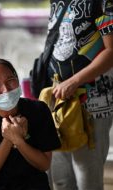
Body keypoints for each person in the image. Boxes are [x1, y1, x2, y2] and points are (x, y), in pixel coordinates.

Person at [39, 1, 113, 190]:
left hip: (92, 102)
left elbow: (111, 52)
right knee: (62, 179)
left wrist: (74, 81)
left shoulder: (103, 3)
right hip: (58, 100)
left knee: (87, 179)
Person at [0, 58, 61, 190]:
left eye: (10, 80)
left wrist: (19, 141)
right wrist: (9, 139)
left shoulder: (38, 110)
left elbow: (44, 165)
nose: (6, 90)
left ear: (17, 80)